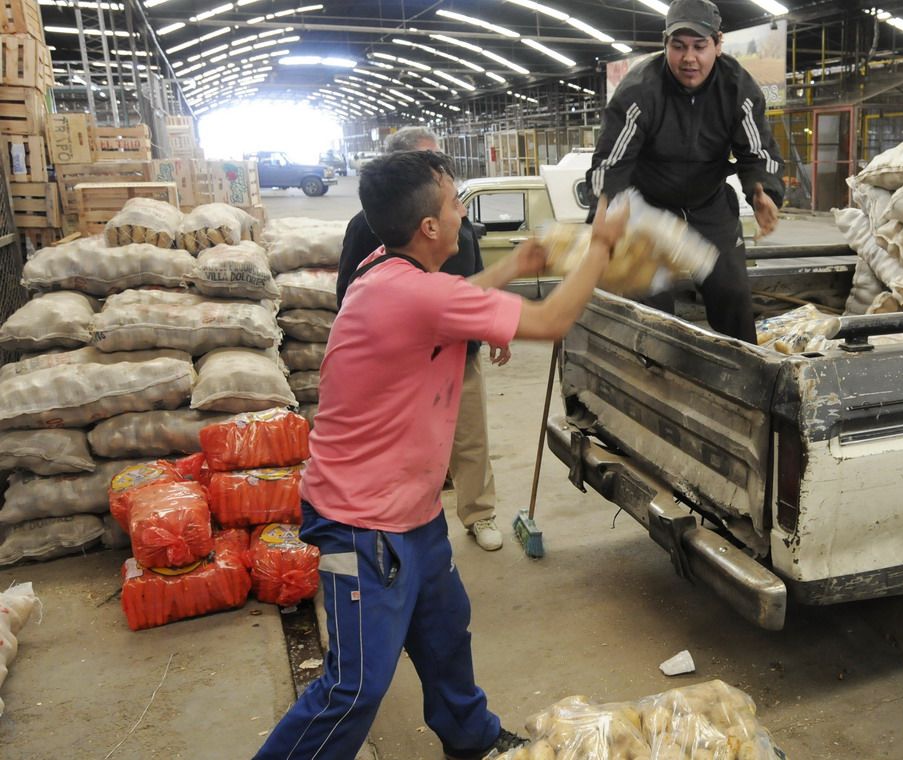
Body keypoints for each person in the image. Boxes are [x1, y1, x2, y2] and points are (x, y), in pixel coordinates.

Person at [255, 151, 624, 760]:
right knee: (355, 686)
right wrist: (601, 247)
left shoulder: (386, 268)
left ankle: (470, 738)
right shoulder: (417, 295)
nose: (462, 215)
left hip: (413, 509)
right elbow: (554, 319)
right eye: (456, 205)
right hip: (362, 521)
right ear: (429, 226)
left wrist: (513, 267)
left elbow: (449, 299)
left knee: (444, 631)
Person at [338, 126, 506, 552]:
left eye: (440, 162)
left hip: (458, 352)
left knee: (470, 438)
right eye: (427, 163)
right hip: (405, 364)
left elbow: (476, 278)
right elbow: (349, 294)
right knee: (409, 449)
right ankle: (403, 525)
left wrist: (494, 325)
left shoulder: (456, 219)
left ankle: (479, 512)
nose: (440, 172)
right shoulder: (370, 226)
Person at [585, 0, 784, 343]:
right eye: (678, 46)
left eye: (699, 46)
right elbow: (610, 163)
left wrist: (764, 191)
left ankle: (746, 368)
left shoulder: (738, 89)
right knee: (651, 303)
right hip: (650, 209)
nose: (688, 58)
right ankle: (653, 367)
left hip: (709, 205)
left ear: (718, 44)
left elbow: (757, 152)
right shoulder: (639, 91)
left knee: (732, 293)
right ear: (665, 45)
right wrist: (603, 212)